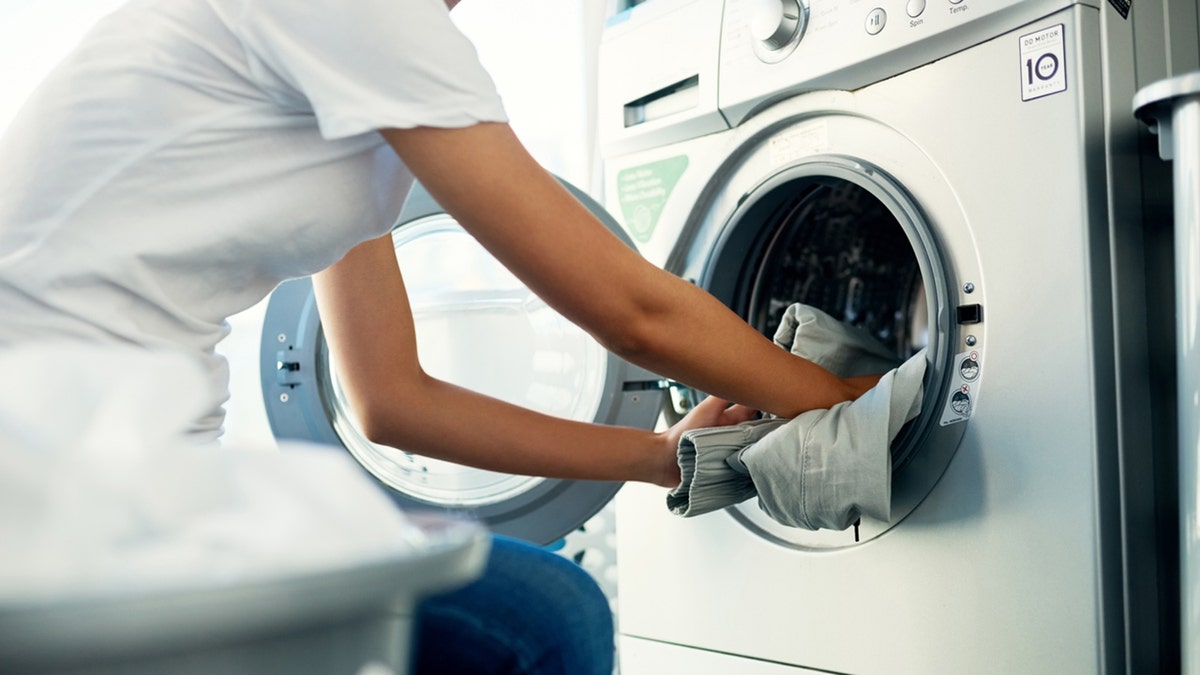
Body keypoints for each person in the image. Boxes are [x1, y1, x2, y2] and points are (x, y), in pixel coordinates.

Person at [0, 0, 878, 673]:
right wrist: (857, 406)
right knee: (544, 620)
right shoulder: (367, 19)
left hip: (113, 482)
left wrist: (662, 456)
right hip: (52, 491)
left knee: (534, 608)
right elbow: (629, 312)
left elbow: (390, 398)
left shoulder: (363, 72)